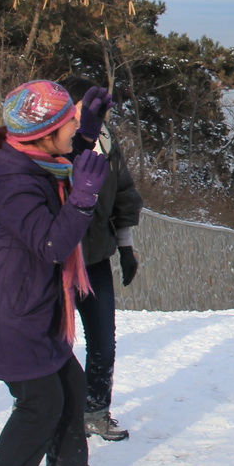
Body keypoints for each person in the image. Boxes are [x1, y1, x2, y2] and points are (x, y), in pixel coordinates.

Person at [0, 80, 121, 466]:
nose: (72, 128)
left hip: (28, 301)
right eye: (67, 120)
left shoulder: (28, 156)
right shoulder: (11, 182)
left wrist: (87, 130)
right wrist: (83, 198)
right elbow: (50, 245)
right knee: (40, 401)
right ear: (43, 134)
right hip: (2, 310)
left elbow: (61, 157)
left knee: (70, 384)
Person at [62, 77, 143, 441]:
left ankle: (96, 410)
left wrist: (125, 247)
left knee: (103, 340)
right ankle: (59, 413)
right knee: (55, 342)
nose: (92, 114)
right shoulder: (51, 144)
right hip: (58, 261)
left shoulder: (107, 142)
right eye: (84, 106)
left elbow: (124, 193)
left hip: (95, 257)